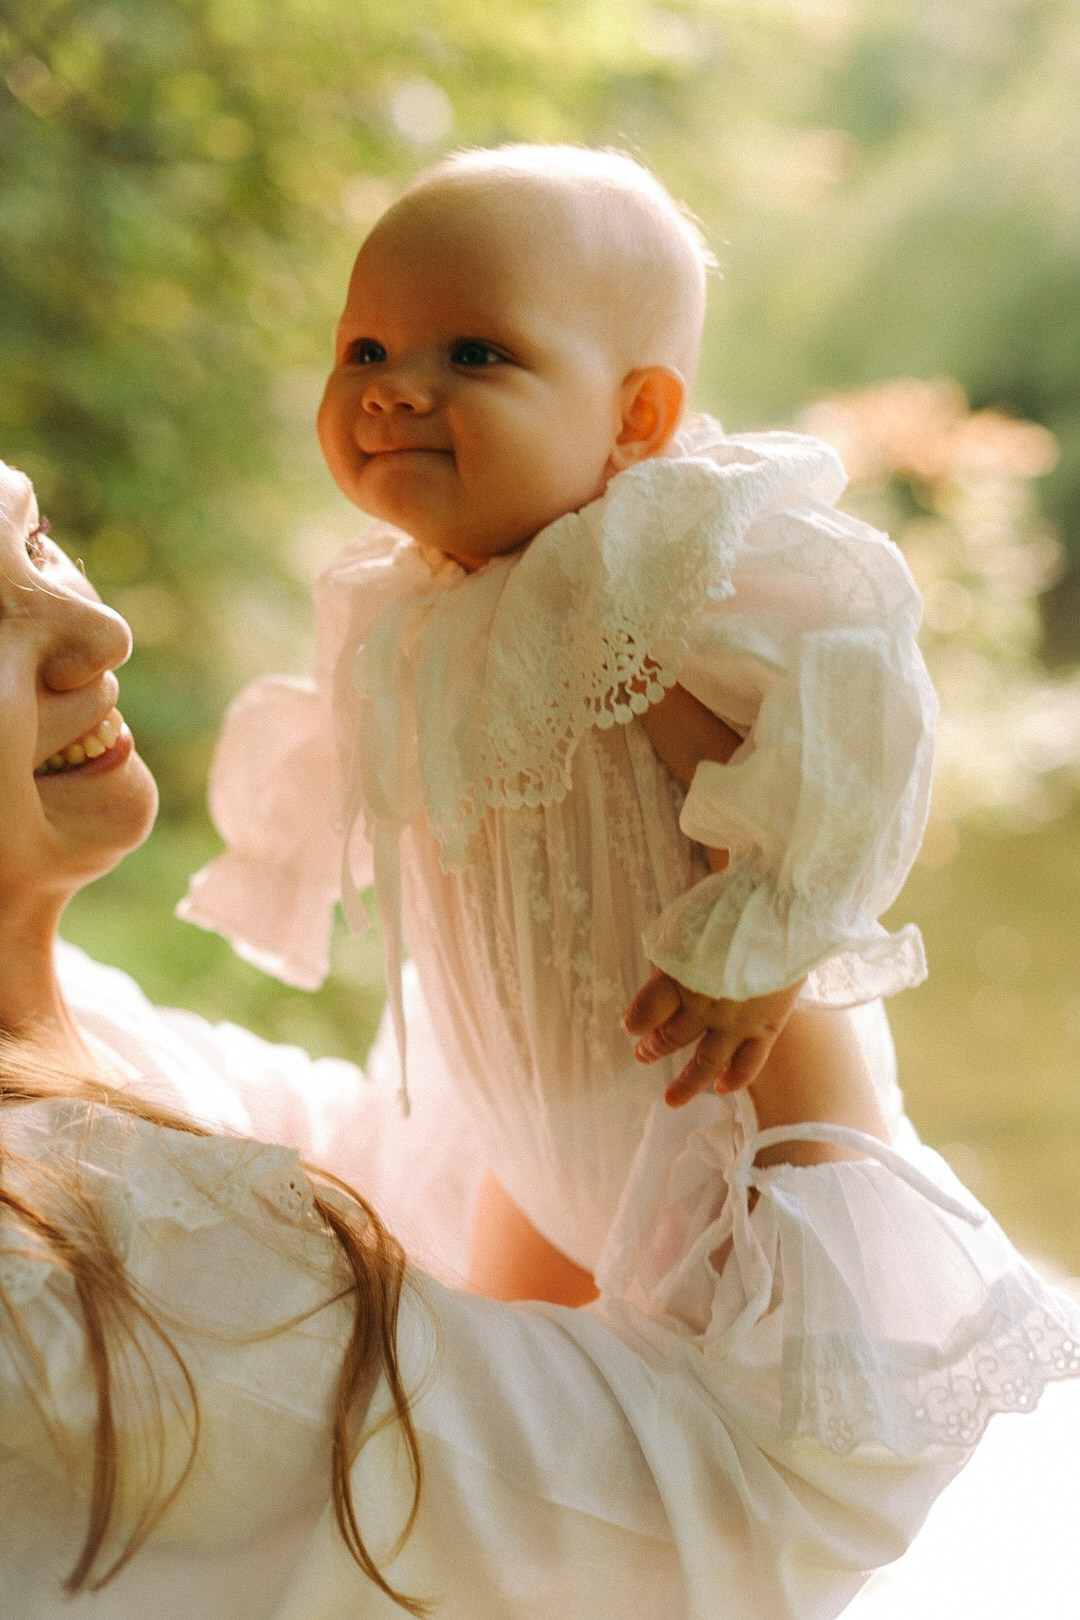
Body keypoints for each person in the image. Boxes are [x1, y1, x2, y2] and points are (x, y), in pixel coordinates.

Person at [4, 458, 1078, 1619]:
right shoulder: (61, 1290)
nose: (97, 631)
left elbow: (366, 1162)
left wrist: (561, 806)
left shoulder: (81, 1019)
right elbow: (775, 1487)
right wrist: (772, 907)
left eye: (38, 536)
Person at [181, 144, 936, 1304]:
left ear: (637, 417)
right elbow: (353, 752)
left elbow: (853, 712)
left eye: (474, 353)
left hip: (734, 1127)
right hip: (534, 1146)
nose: (392, 387)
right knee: (534, 1417)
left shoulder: (659, 564)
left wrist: (771, 923)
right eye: (364, 350)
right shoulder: (400, 606)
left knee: (751, 1428)